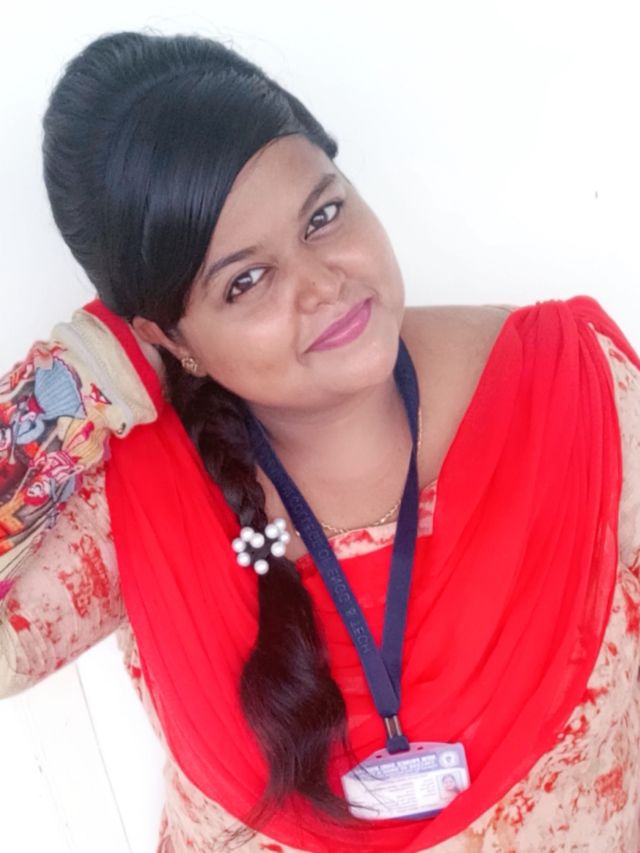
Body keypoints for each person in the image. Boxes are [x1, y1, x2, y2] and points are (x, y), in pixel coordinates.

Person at [1, 29, 639, 853]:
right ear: (168, 337)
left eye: (323, 216)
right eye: (245, 280)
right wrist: (78, 377)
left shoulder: (571, 389)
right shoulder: (135, 501)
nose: (323, 284)